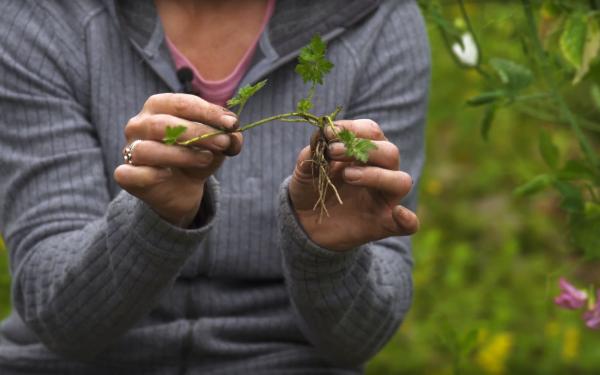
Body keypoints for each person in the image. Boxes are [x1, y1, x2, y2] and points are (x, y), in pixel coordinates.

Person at [0, 0, 430, 373]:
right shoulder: (42, 16)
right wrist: (154, 217)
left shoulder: (376, 19)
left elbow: (359, 341)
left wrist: (329, 256)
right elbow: (57, 318)